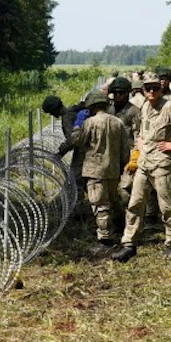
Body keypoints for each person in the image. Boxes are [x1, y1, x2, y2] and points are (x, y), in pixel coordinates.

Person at [112, 77, 171, 262]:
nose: (151, 92)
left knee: (167, 206)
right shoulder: (145, 107)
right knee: (135, 203)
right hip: (145, 163)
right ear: (143, 90)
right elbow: (143, 130)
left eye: (154, 89)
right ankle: (129, 244)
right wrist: (140, 142)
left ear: (160, 89)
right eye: (147, 89)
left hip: (162, 164)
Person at [67, 90, 129, 252]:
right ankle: (122, 229)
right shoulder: (118, 122)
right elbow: (125, 149)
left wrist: (77, 126)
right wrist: (122, 166)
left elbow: (77, 141)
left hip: (95, 171)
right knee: (114, 200)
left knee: (100, 205)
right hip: (113, 169)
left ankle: (105, 240)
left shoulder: (90, 123)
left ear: (91, 106)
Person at [108, 76, 141, 206]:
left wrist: (135, 156)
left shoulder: (134, 111)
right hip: (110, 156)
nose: (117, 96)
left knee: (125, 189)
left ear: (127, 94)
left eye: (120, 93)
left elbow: (138, 135)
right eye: (114, 93)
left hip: (128, 155)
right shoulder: (109, 110)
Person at [42, 94, 87, 188]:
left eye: (51, 112)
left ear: (54, 110)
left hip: (83, 149)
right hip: (88, 146)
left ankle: (78, 201)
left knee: (75, 180)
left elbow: (72, 140)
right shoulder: (73, 110)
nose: (51, 115)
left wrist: (60, 152)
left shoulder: (67, 117)